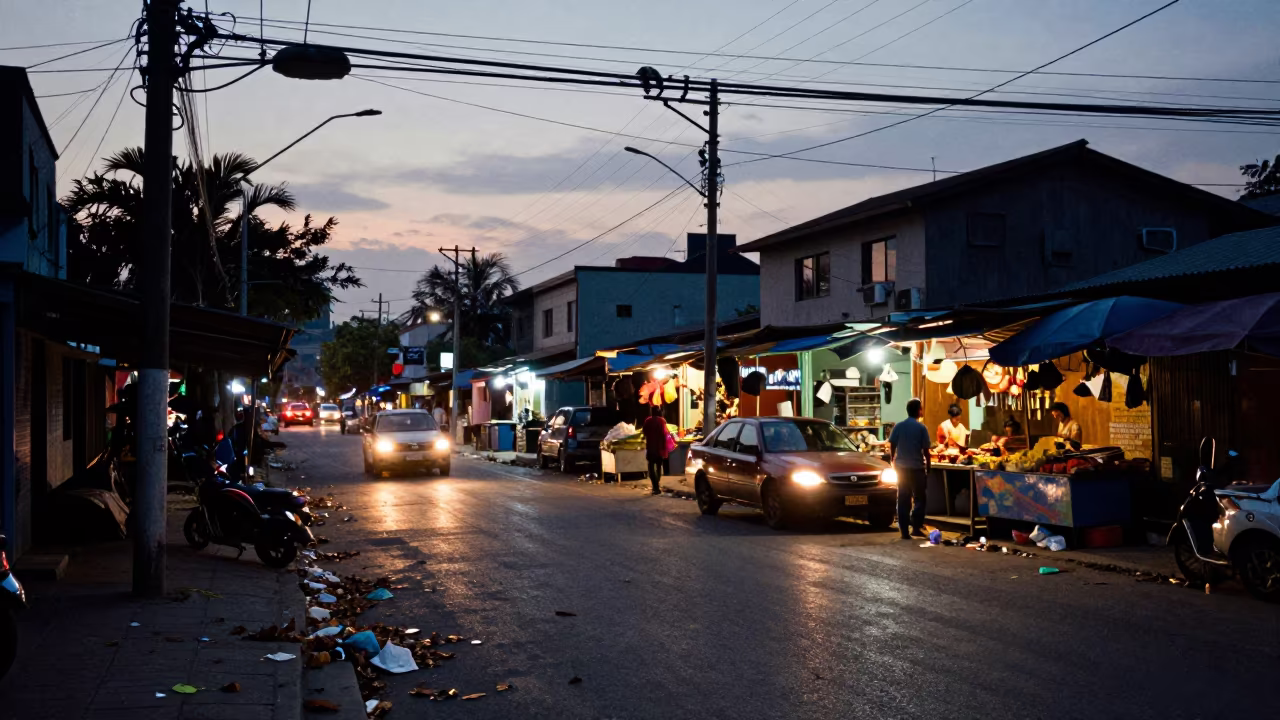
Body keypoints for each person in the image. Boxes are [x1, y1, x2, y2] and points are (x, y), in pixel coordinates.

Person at [888, 398, 931, 539]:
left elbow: (892, 444)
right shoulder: (921, 428)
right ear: (918, 410)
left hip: (901, 468)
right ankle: (916, 525)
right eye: (921, 408)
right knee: (920, 498)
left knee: (903, 498)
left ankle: (904, 531)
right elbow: (926, 451)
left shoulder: (899, 426)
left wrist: (892, 459)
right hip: (917, 468)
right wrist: (928, 467)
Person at [641, 404, 671, 496]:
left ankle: (655, 486)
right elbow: (665, 433)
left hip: (651, 448)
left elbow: (644, 432)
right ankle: (656, 485)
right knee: (658, 466)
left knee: (651, 467)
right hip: (660, 448)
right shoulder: (662, 421)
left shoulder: (648, 421)